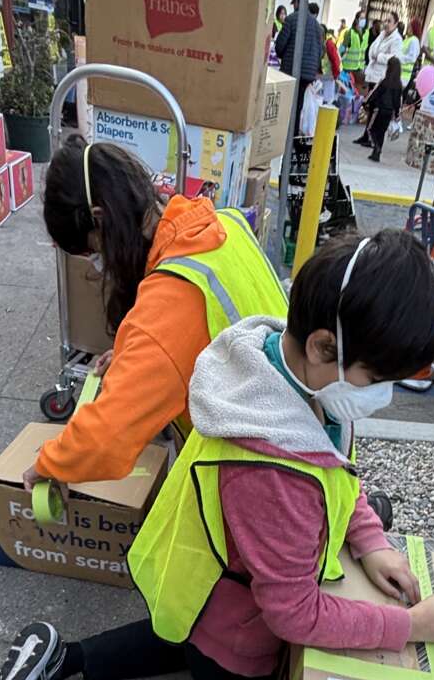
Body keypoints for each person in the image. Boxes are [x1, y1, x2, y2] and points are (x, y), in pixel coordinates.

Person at [0, 231, 434, 680]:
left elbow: (338, 471)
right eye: (377, 378)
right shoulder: (280, 472)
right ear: (323, 346)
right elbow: (294, 614)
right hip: (236, 615)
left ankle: (61, 657)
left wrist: (370, 540)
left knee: (177, 637)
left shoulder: (270, 366)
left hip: (195, 580)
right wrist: (407, 626)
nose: (380, 394)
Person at [19, 135, 288, 496]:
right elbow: (209, 331)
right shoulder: (222, 225)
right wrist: (138, 355)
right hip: (297, 437)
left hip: (264, 481)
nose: (99, 266)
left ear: (100, 220)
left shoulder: (170, 299)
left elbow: (108, 438)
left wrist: (49, 464)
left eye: (90, 251)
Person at [274, 0, 327, 127]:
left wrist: (283, 56)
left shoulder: (291, 19)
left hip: (290, 70)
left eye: (294, 3)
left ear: (297, 2)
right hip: (308, 75)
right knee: (298, 106)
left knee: (286, 105)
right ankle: (294, 135)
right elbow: (321, 52)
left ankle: (284, 135)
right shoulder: (317, 26)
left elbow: (279, 46)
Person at [357, 55, 403, 162]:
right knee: (381, 131)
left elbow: (375, 93)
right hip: (389, 111)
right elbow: (397, 101)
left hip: (379, 109)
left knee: (372, 129)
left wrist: (366, 103)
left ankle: (376, 147)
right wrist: (396, 114)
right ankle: (377, 151)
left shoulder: (384, 81)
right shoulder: (398, 84)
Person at [364, 9, 402, 87]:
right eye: (385, 21)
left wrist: (379, 57)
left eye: (389, 21)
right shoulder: (382, 34)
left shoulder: (397, 39)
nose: (386, 23)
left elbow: (394, 59)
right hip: (373, 75)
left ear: (395, 24)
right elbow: (372, 48)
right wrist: (373, 54)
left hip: (382, 78)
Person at [340, 9, 369, 94]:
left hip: (359, 68)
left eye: (364, 18)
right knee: (348, 90)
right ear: (356, 20)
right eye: (361, 18)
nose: (363, 20)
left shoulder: (366, 33)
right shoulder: (350, 33)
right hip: (349, 68)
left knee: (357, 91)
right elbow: (342, 48)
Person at [400, 16, 422, 88]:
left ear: (414, 28)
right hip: (399, 73)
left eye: (410, 27)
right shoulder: (407, 39)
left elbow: (412, 58)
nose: (407, 29)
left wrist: (399, 57)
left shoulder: (414, 40)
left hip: (404, 75)